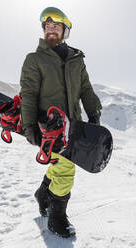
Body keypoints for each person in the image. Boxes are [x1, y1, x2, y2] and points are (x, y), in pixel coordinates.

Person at [19, 7, 102, 238]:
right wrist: (29, 126)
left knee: (60, 163)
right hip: (49, 125)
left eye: (56, 26)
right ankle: (57, 217)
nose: (51, 30)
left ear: (65, 30)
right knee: (66, 168)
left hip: (73, 124)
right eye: (47, 26)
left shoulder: (76, 59)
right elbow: (29, 93)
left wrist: (93, 112)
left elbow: (85, 88)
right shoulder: (35, 59)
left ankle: (43, 193)